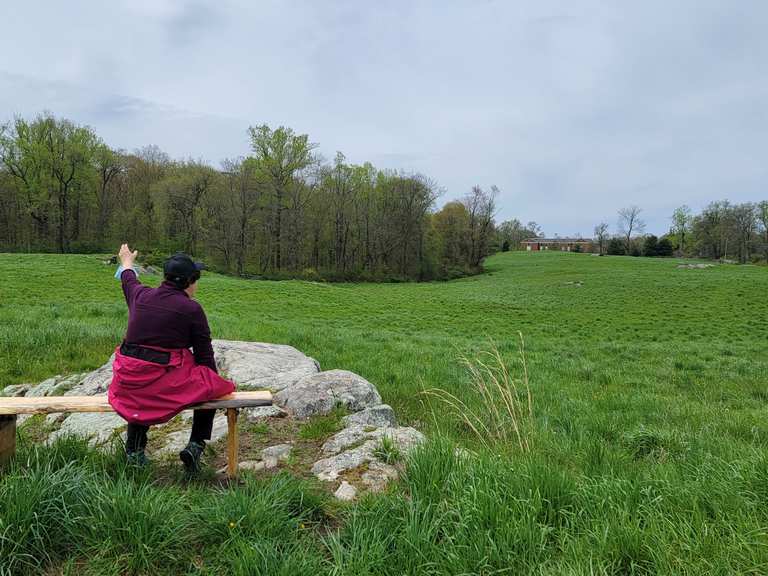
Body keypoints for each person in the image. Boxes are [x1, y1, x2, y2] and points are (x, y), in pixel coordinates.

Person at [108, 243, 235, 472]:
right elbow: (205, 356)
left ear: (166, 277)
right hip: (158, 385)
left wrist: (127, 261)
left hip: (127, 383)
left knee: (143, 379)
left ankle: (134, 451)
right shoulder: (191, 310)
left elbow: (128, 279)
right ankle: (195, 445)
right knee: (209, 383)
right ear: (189, 281)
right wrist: (212, 382)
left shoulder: (141, 295)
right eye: (196, 279)